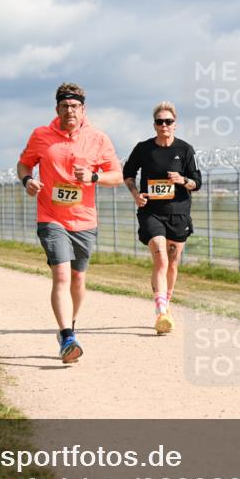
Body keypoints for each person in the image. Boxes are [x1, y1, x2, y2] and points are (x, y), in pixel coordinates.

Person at [16, 82, 122, 363]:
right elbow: (24, 163)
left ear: (83, 109)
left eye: (74, 106)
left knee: (77, 278)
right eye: (64, 106)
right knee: (61, 275)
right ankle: (67, 337)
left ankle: (70, 325)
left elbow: (116, 176)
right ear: (57, 109)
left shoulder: (98, 138)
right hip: (51, 217)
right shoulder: (41, 135)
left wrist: (93, 177)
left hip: (84, 220)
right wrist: (27, 180)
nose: (69, 111)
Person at [122, 101, 201, 334]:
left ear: (175, 124)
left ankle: (166, 305)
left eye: (168, 121)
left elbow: (197, 182)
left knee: (173, 263)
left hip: (178, 213)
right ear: (154, 125)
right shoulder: (143, 149)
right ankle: (161, 312)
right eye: (160, 121)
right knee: (161, 259)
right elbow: (128, 174)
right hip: (151, 212)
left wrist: (182, 180)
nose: (164, 125)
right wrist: (136, 195)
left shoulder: (185, 150)